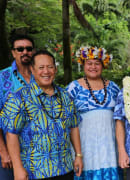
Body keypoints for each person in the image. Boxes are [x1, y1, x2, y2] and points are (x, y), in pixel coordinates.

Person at [0, 50, 83, 179]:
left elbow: (74, 126)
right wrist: (17, 168)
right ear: (32, 70)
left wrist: (78, 155)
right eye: (41, 67)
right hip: (35, 171)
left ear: (55, 70)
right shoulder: (19, 98)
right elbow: (11, 134)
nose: (46, 71)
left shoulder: (66, 96)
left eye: (50, 67)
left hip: (65, 168)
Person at [67, 46, 121, 179]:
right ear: (83, 65)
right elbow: (67, 120)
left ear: (103, 66)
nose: (93, 67)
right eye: (89, 63)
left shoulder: (113, 87)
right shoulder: (73, 88)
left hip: (109, 148)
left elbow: (121, 118)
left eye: (97, 63)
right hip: (85, 148)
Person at [0, 34, 35, 180]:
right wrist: (3, 152)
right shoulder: (2, 78)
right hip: (11, 150)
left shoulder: (41, 75)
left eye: (28, 48)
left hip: (39, 153)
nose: (25, 52)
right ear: (13, 52)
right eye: (20, 49)